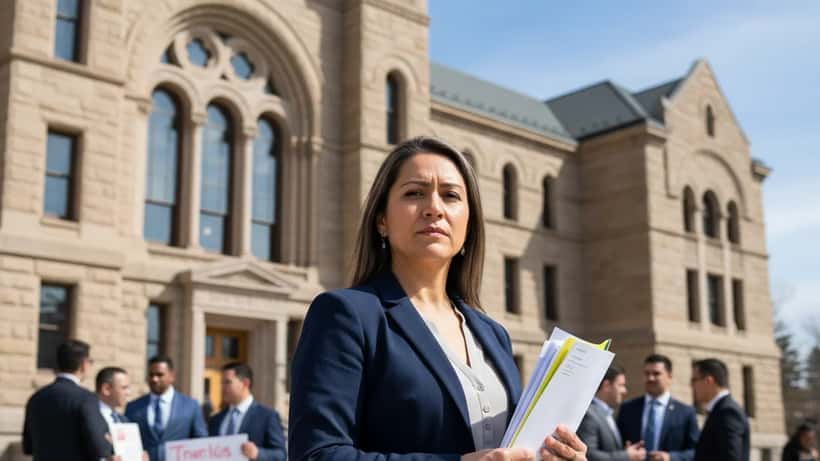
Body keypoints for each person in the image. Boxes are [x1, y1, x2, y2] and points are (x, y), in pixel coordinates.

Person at [288, 136, 588, 461]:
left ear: (468, 223)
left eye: (450, 196)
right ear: (382, 221)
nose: (434, 208)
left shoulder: (493, 335)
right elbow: (316, 454)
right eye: (414, 193)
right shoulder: (345, 315)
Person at [22, 339, 116, 461]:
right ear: (83, 364)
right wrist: (110, 444)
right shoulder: (86, 398)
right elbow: (100, 448)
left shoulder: (36, 398)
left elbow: (28, 447)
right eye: (90, 362)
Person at [616, 354, 699, 461]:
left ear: (669, 376)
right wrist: (625, 453)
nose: (650, 378)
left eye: (656, 373)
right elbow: (615, 444)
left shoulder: (686, 412)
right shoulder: (628, 409)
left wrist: (670, 457)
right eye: (647, 373)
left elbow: (696, 451)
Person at [125, 355, 207, 461]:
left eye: (159, 375)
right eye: (151, 375)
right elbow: (127, 441)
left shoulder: (190, 405)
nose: (154, 379)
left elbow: (200, 440)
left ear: (172, 376)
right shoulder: (133, 407)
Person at [208, 362, 286, 461]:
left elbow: (281, 455)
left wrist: (258, 453)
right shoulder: (216, 419)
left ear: (245, 383)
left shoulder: (267, 416)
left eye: (227, 382)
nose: (222, 388)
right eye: (222, 383)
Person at [578, 365, 645, 461]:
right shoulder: (589, 414)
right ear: (607, 385)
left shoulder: (607, 413)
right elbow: (588, 455)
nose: (624, 391)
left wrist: (626, 452)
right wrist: (626, 456)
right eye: (621, 385)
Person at [691, 358, 750, 461]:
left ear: (708, 381)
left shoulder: (728, 412)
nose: (691, 386)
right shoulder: (719, 410)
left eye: (694, 380)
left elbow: (731, 457)